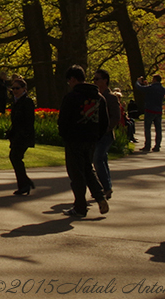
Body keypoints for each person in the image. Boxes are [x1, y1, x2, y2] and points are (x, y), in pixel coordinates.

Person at [57, 65, 109, 218]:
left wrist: (64, 135)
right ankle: (99, 197)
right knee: (88, 169)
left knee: (76, 173)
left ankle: (80, 206)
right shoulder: (99, 97)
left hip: (74, 139)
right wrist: (96, 136)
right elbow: (104, 122)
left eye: (69, 81)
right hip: (91, 139)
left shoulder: (72, 97)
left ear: (73, 79)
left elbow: (63, 120)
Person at [92, 69, 122, 199]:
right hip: (96, 134)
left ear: (105, 80)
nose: (95, 81)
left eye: (97, 79)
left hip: (106, 134)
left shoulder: (111, 97)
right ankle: (107, 186)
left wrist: (107, 128)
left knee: (98, 159)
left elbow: (116, 117)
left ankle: (106, 188)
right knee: (102, 160)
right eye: (94, 79)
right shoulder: (94, 96)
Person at [6, 77, 36, 196]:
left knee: (15, 157)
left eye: (17, 88)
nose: (15, 90)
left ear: (24, 89)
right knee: (15, 158)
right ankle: (25, 183)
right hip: (17, 135)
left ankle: (24, 184)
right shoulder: (16, 101)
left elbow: (28, 121)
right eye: (13, 88)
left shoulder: (27, 102)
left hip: (23, 136)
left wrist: (22, 134)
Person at [135, 75, 165, 152]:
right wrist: (147, 85)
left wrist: (138, 82)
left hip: (150, 109)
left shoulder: (151, 87)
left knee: (147, 128)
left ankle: (147, 145)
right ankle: (157, 146)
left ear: (155, 79)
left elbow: (140, 88)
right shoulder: (163, 89)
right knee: (158, 129)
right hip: (158, 110)